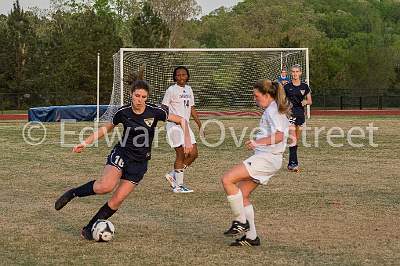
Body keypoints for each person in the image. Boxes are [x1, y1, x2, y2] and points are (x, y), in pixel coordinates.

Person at [54, 72, 192, 240]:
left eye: (143, 97)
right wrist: (85, 142)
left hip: (140, 163)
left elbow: (182, 121)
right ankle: (73, 193)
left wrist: (187, 140)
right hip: (122, 154)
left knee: (117, 200)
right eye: (137, 95)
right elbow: (106, 128)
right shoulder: (123, 112)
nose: (140, 99)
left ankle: (89, 228)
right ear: (131, 95)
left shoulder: (155, 111)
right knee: (105, 186)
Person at [221, 80, 290, 247]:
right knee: (242, 195)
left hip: (267, 158)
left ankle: (240, 222)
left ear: (267, 95)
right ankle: (252, 237)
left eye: (257, 96)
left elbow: (280, 136)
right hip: (269, 158)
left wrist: (258, 143)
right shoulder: (272, 109)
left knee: (227, 180)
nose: (255, 99)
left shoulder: (273, 110)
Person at [162, 66, 202, 193]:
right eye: (178, 75)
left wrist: (199, 124)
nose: (181, 77)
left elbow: (192, 108)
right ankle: (178, 186)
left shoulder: (189, 89)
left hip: (186, 126)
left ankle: (173, 175)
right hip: (174, 126)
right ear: (175, 77)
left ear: (187, 76)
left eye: (183, 75)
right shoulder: (171, 90)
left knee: (194, 153)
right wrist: (173, 120)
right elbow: (164, 109)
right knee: (180, 153)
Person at [284, 64, 312, 172]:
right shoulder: (287, 87)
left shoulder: (305, 87)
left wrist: (306, 102)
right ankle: (294, 164)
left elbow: (310, 100)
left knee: (296, 140)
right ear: (291, 73)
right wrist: (285, 109)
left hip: (300, 115)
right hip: (291, 115)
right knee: (293, 138)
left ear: (300, 73)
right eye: (293, 72)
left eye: (297, 72)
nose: (295, 74)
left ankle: (291, 162)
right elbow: (282, 100)